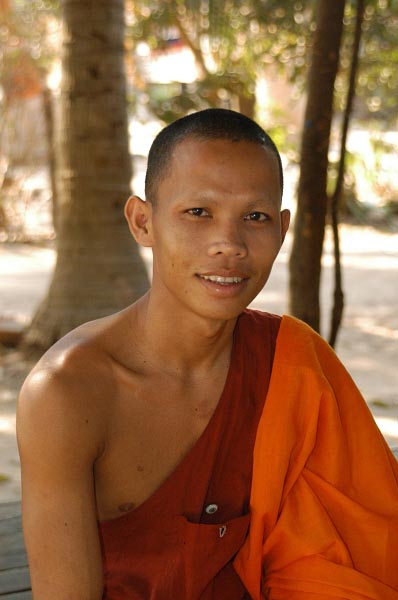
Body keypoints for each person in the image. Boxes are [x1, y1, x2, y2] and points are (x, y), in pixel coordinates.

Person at [17, 108, 398, 600]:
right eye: (199, 213)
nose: (229, 244)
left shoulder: (292, 361)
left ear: (281, 231)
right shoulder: (68, 394)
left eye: (255, 217)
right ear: (142, 221)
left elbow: (358, 558)